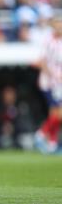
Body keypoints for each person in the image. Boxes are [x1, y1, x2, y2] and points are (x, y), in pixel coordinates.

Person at [34, 15, 62, 154]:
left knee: (55, 113)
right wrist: (53, 76)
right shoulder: (48, 41)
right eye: (57, 24)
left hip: (59, 84)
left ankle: (52, 142)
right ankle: (41, 134)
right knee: (58, 113)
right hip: (49, 83)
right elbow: (42, 61)